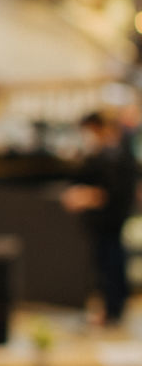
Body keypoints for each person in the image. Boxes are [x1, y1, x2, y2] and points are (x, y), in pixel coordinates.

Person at [63, 112, 137, 327]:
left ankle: (113, 312)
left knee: (111, 265)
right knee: (109, 264)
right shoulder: (111, 151)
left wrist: (86, 196)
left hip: (111, 221)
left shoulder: (114, 154)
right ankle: (113, 310)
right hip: (108, 222)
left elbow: (111, 192)